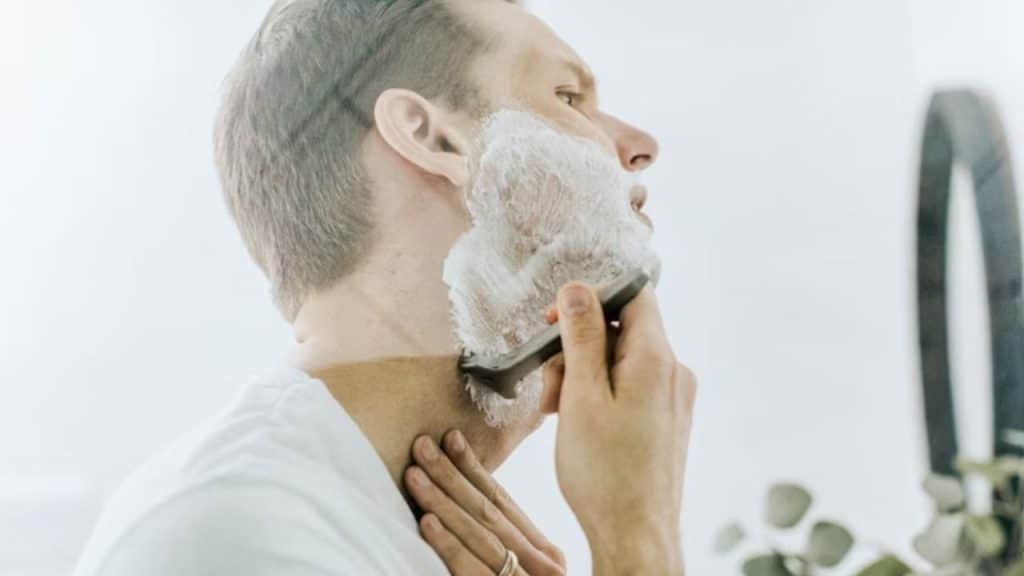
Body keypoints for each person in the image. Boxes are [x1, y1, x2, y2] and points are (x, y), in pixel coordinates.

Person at [73, 1, 697, 574]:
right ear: (433, 137)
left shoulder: (337, 520)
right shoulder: (229, 533)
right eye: (568, 97)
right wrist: (639, 544)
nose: (641, 147)